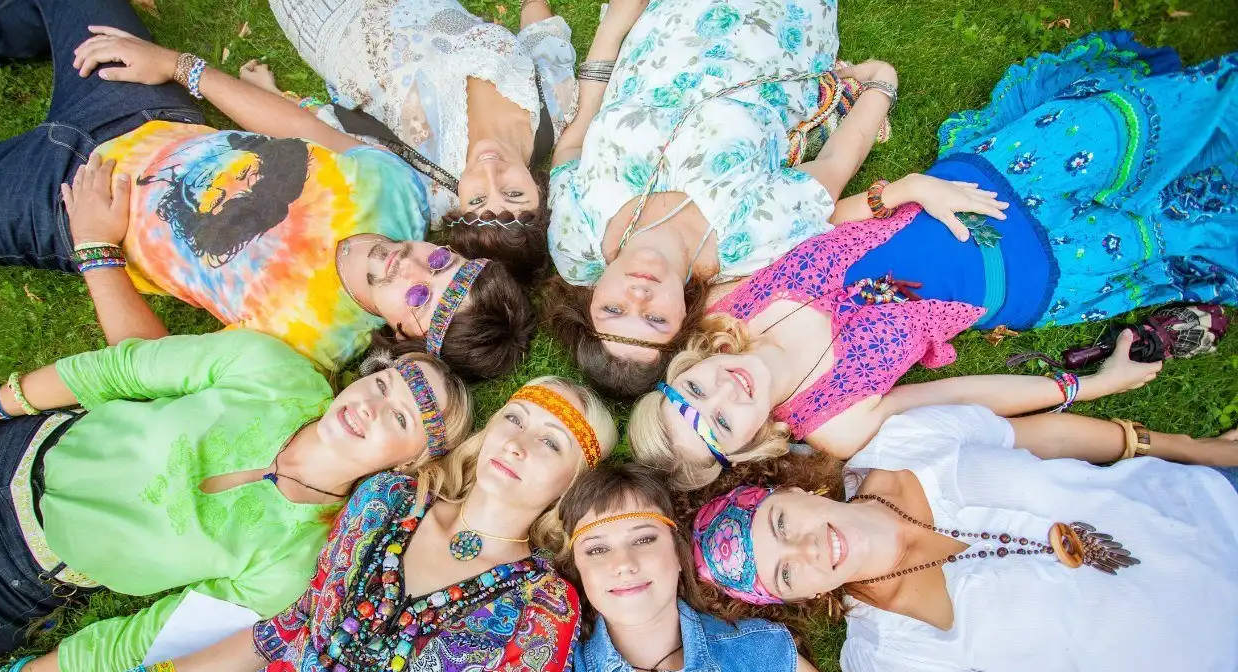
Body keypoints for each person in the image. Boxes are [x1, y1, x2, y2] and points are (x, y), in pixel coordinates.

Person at [628, 32, 1238, 483]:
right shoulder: (835, 424)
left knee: (1168, 115)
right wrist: (1087, 385)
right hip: (1036, 274)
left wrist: (903, 190)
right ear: (745, 448)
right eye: (721, 424)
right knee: (1197, 220)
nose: (723, 392)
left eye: (695, 391)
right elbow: (963, 396)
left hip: (985, 182)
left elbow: (808, 217)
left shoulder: (728, 302)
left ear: (685, 368)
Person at [0, 377, 619, 672]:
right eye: (515, 418)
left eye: (552, 442)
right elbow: (281, 633)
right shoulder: (387, 500)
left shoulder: (542, 607)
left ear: (573, 485)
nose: (519, 443)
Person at [0, 0, 533, 380]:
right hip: (141, 107)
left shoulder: (304, 348)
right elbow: (299, 128)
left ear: (406, 336)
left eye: (421, 296)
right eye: (442, 263)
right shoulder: (397, 192)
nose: (411, 265)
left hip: (60, 204)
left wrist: (94, 246)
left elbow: (151, 367)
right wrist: (176, 66)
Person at [687, 404, 1238, 672]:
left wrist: (1197, 450)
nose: (807, 549)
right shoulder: (889, 659)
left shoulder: (902, 443)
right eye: (785, 573)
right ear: (799, 598)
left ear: (794, 491)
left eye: (781, 523)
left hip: (1214, 507)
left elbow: (1046, 438)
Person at [0, 329, 472, 672]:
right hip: (6, 450)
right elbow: (118, 369)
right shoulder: (275, 372)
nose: (370, 407)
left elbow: (145, 638)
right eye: (381, 385)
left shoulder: (301, 560)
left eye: (399, 418)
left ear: (410, 465)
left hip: (6, 578)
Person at [544, 0, 948, 397]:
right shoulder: (749, 239)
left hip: (660, 19)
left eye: (613, 311)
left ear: (590, 299)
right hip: (771, 26)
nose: (638, 296)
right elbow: (835, 163)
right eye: (654, 319)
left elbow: (572, 145)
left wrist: (613, 28)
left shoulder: (574, 241)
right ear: (685, 319)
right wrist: (881, 82)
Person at [533, 464, 905, 672]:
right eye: (596, 550)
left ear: (678, 554)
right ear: (578, 571)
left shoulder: (765, 655)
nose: (624, 563)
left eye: (644, 538)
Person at [261, 0, 578, 278]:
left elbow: (334, 137)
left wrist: (273, 95)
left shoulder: (429, 189)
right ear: (541, 190)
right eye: (513, 193)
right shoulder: (554, 106)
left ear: (458, 210)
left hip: (333, 21)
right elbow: (541, 34)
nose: (490, 172)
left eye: (477, 200)